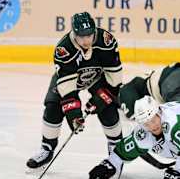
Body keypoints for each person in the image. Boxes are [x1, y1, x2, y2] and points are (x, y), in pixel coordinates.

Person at [26, 12, 123, 169]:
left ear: (94, 31)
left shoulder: (106, 41)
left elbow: (114, 77)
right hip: (71, 80)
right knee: (53, 105)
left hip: (98, 78)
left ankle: (116, 149)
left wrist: (103, 97)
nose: (86, 40)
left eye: (89, 35)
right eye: (81, 36)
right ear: (74, 33)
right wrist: (74, 115)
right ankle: (47, 148)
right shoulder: (63, 49)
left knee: (108, 106)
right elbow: (67, 87)